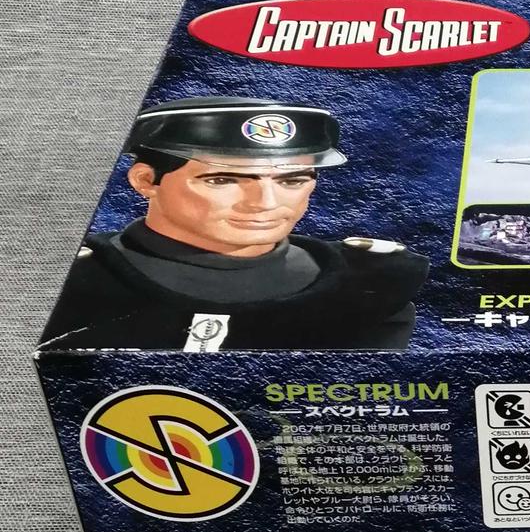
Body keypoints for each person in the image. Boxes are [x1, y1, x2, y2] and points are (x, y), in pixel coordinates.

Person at [41, 96, 428, 351]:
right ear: (146, 180)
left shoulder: (369, 286)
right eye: (223, 179)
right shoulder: (72, 283)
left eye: (291, 180)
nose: (265, 203)